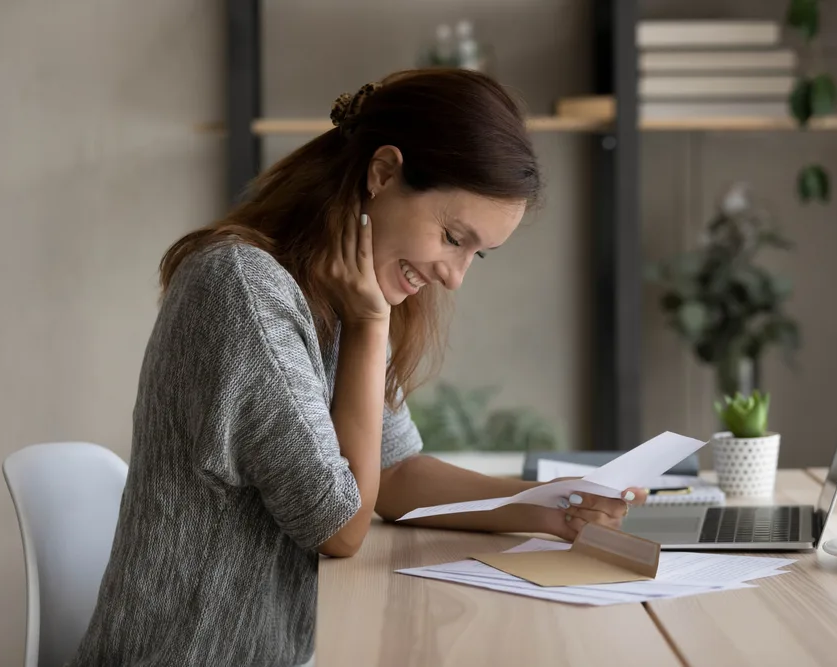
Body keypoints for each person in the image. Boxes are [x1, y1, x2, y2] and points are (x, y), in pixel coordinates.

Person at [69, 68, 647, 667]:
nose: (455, 275)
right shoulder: (243, 290)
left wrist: (552, 506)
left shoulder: (341, 290)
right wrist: (371, 327)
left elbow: (394, 477)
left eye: (478, 254)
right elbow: (340, 525)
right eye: (453, 236)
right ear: (382, 174)